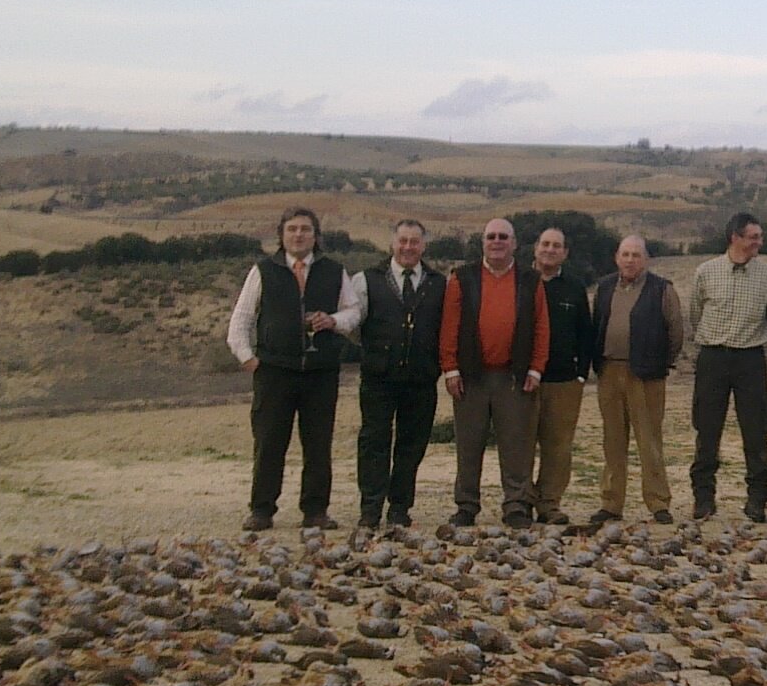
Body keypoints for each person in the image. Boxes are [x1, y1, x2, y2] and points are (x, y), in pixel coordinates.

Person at [226, 206, 359, 531]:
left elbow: (353, 311)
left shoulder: (334, 270)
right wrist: (248, 359)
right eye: (292, 229)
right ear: (282, 235)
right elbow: (241, 320)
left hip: (320, 372)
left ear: (316, 236)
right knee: (270, 442)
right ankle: (261, 510)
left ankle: (315, 511)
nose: (299, 235)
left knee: (318, 444)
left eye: (305, 229)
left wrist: (334, 321)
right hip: (274, 372)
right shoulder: (263, 271)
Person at [437, 217, 551, 529]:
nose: (497, 241)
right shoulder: (462, 278)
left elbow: (541, 327)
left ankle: (516, 505)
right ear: (482, 242)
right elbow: (449, 326)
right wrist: (450, 369)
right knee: (468, 445)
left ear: (514, 243)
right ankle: (466, 505)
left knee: (516, 446)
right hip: (471, 376)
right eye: (491, 236)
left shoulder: (531, 280)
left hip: (514, 377)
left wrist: (536, 369)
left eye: (503, 236)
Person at [348, 218, 445, 530]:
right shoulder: (365, 280)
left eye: (414, 242)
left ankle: (400, 507)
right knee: (373, 442)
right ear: (392, 244)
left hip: (421, 379)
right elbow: (353, 325)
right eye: (402, 241)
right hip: (378, 378)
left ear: (423, 246)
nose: (407, 247)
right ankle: (370, 508)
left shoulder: (439, 283)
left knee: (412, 444)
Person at [686, 212, 767, 521]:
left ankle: (756, 499)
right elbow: (696, 314)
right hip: (713, 358)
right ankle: (703, 497)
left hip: (750, 359)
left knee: (756, 431)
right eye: (754, 237)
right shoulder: (706, 272)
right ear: (735, 238)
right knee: (707, 429)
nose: (759, 243)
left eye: (760, 237)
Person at [589, 234, 686, 525]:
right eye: (625, 254)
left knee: (649, 441)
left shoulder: (662, 290)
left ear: (646, 259)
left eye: (636, 255)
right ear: (617, 258)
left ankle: (658, 503)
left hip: (646, 376)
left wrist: (659, 362)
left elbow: (676, 333)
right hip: (609, 373)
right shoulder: (605, 287)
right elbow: (598, 324)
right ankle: (611, 503)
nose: (630, 260)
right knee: (612, 442)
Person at [529, 227, 593, 526]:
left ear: (565, 253)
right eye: (545, 244)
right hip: (523, 380)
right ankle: (519, 502)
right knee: (521, 445)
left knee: (558, 447)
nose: (550, 250)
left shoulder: (574, 288)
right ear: (535, 248)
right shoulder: (519, 283)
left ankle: (549, 504)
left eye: (557, 246)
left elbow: (585, 333)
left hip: (564, 380)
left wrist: (581, 374)